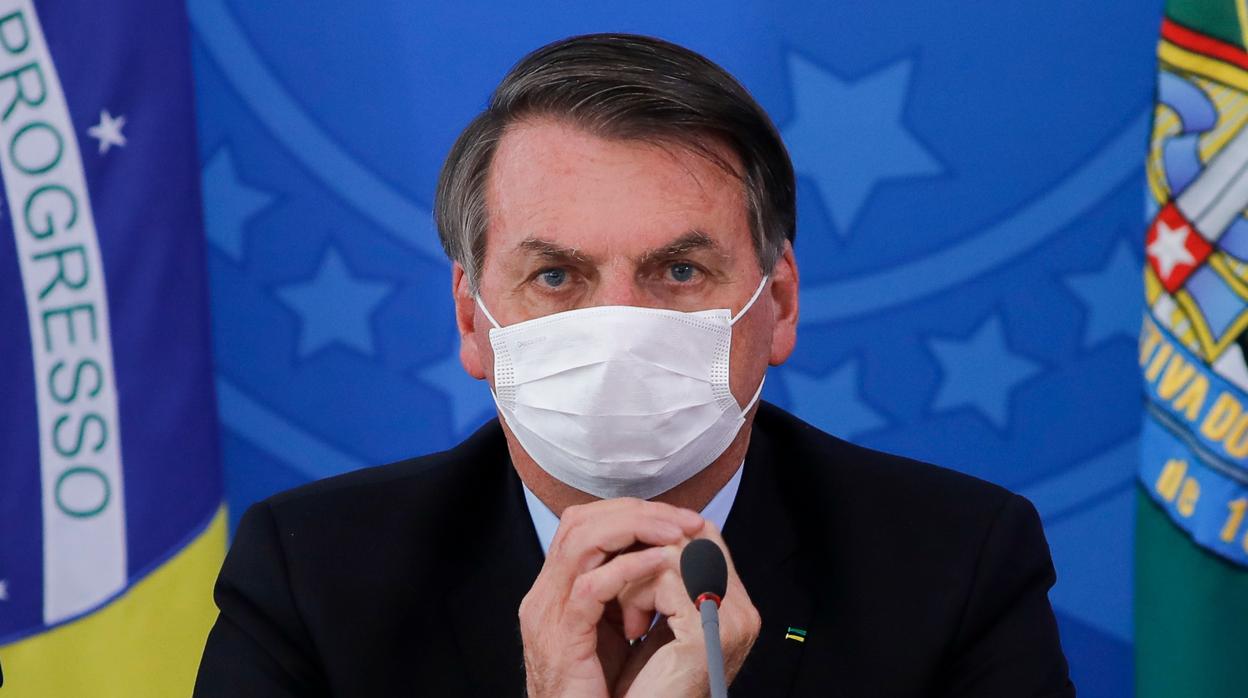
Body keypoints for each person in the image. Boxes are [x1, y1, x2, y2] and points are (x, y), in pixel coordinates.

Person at [194, 33, 1073, 697]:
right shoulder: (316, 576)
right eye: (556, 276)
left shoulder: (953, 563)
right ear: (472, 320)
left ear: (778, 304)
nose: (618, 324)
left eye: (679, 271)